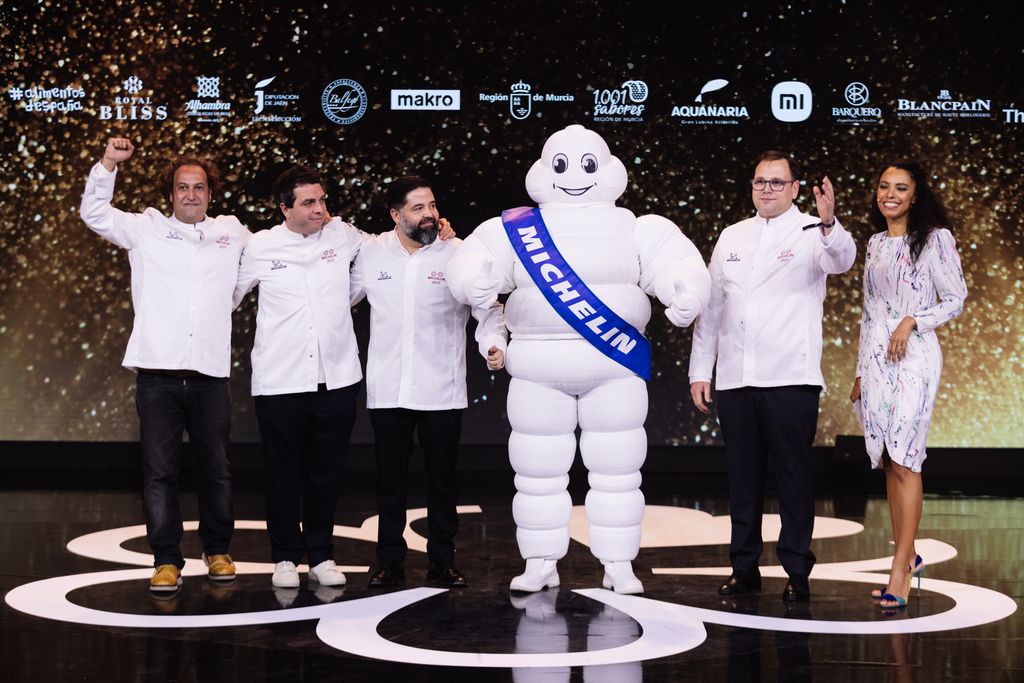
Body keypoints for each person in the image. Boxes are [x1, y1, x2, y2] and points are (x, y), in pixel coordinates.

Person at [447, 124, 710, 595]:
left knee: (618, 470)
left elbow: (676, 260)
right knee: (537, 471)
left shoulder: (635, 226)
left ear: (606, 169)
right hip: (537, 372)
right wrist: (476, 281)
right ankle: (540, 561)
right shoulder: (516, 227)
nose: (575, 175)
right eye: (563, 165)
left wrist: (683, 289)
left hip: (613, 370)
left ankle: (618, 564)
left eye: (587, 165)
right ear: (545, 171)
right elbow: (472, 260)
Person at [80, 138, 249, 592]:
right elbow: (94, 214)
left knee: (217, 468)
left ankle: (217, 551)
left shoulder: (232, 232)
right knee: (160, 471)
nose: (190, 194)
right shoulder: (146, 228)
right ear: (170, 193)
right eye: (182, 187)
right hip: (157, 375)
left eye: (199, 187)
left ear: (210, 194)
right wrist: (108, 165)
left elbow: (252, 273)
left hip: (211, 375)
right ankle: (166, 559)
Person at [689, 150, 856, 602]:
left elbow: (842, 259)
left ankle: (797, 571)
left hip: (790, 378)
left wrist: (828, 222)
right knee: (742, 481)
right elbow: (712, 308)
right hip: (737, 379)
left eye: (777, 182)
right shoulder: (732, 236)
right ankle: (743, 568)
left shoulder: (813, 234)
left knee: (793, 478)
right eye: (760, 181)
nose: (767, 189)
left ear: (795, 188)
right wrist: (701, 369)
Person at [351, 175, 506, 589]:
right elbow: (338, 296)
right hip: (388, 389)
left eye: (432, 206)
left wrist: (493, 345)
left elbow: (487, 309)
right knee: (389, 484)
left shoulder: (459, 254)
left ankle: (443, 562)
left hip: (442, 389)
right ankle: (388, 563)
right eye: (418, 208)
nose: (429, 215)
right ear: (395, 215)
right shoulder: (370, 254)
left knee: (442, 483)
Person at [233, 165, 363, 589]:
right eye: (309, 203)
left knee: (327, 472)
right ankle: (286, 556)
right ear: (284, 208)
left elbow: (386, 250)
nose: (320, 209)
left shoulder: (343, 235)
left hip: (337, 377)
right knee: (283, 472)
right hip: (280, 381)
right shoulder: (260, 246)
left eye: (323, 200)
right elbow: (228, 296)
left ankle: (322, 555)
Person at [850, 160, 966, 609]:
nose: (890, 194)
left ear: (915, 196)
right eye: (884, 186)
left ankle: (900, 567)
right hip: (877, 363)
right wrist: (861, 370)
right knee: (888, 461)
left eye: (901, 188)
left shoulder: (936, 240)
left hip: (915, 357)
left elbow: (955, 299)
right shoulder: (876, 243)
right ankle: (907, 554)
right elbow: (868, 312)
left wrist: (914, 319)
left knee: (906, 457)